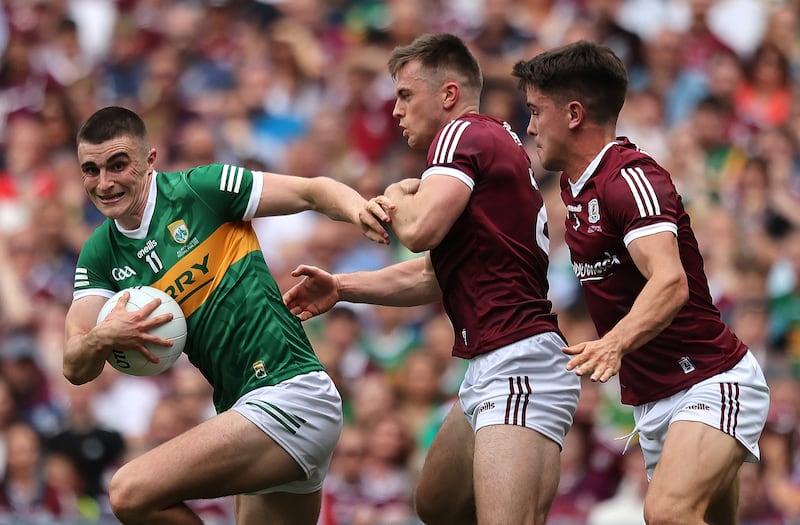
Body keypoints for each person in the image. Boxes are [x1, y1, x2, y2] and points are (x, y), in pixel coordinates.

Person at [284, 33, 581, 525]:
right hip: (497, 363)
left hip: (519, 363)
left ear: (447, 95)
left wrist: (394, 193)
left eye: (404, 95)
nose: (395, 111)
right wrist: (341, 288)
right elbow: (432, 275)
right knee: (438, 505)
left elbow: (418, 231)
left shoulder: (461, 134)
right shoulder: (490, 140)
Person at [62, 105, 390, 525]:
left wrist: (358, 209)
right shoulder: (100, 253)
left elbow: (311, 190)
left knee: (128, 493)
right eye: (90, 170)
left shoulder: (202, 189)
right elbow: (75, 364)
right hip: (244, 412)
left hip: (291, 392)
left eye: (118, 165)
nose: (104, 183)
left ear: (150, 160)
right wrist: (103, 336)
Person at [511, 40, 770, 524]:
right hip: (653, 401)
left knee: (667, 513)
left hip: (710, 380)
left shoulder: (628, 178)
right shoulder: (574, 187)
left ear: (572, 113)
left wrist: (613, 344)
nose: (529, 126)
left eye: (535, 111)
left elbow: (671, 283)